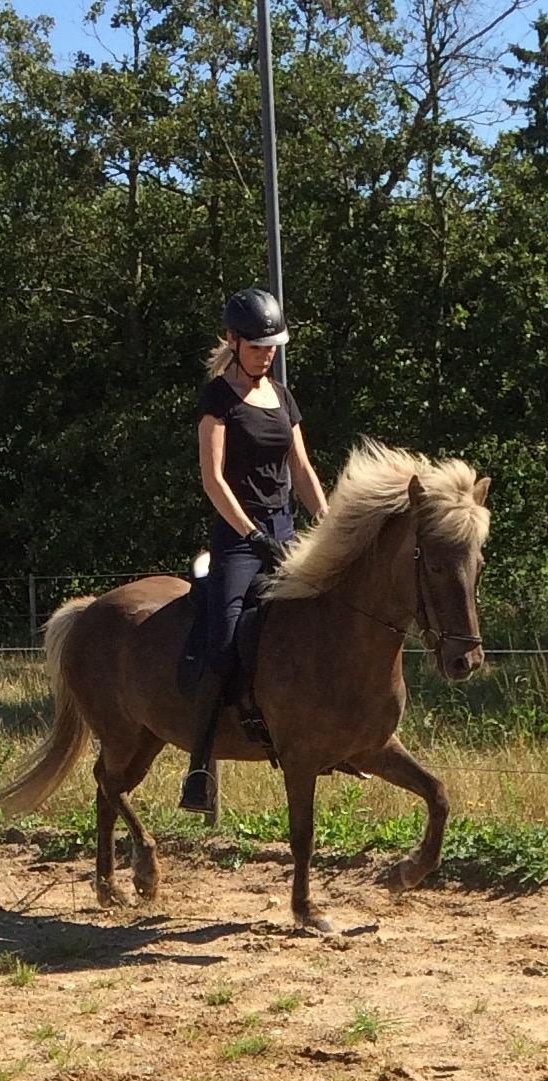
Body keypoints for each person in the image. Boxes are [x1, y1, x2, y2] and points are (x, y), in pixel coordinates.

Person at [179, 287, 328, 813]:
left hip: (287, 530)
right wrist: (250, 535)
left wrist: (329, 525)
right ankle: (197, 765)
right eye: (259, 346)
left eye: (273, 346)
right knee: (222, 637)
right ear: (234, 341)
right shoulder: (218, 398)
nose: (267, 354)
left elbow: (302, 471)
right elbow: (212, 479)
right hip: (238, 538)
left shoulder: (283, 398)